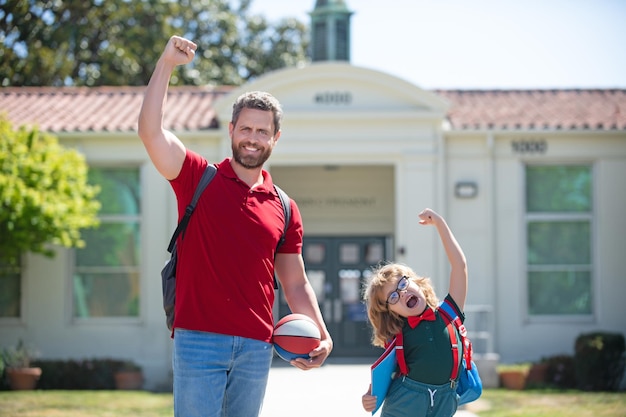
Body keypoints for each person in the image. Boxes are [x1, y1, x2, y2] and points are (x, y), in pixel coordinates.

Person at [138, 36, 333, 417]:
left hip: (257, 345)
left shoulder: (285, 207)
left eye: (262, 132)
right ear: (231, 130)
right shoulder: (197, 177)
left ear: (275, 138)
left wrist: (321, 332)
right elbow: (150, 132)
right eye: (246, 129)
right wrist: (165, 64)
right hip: (198, 340)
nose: (253, 139)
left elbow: (295, 282)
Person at [361, 208, 468, 417]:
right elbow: (385, 371)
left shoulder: (449, 312)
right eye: (392, 297)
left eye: (402, 284)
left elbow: (459, 266)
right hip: (406, 400)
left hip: (445, 399)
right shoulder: (398, 330)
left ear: (416, 282)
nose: (401, 294)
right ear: (390, 311)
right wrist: (369, 395)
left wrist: (440, 224)